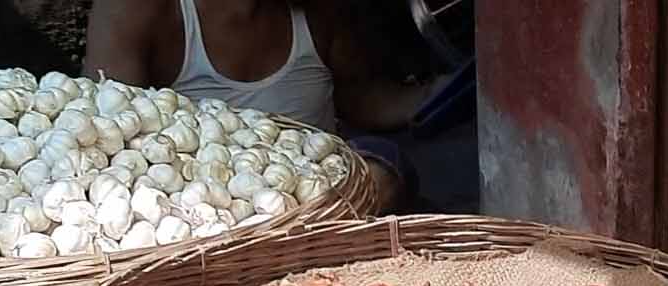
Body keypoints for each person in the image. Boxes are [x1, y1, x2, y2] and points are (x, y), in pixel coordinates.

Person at [83, 0, 419, 208]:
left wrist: (433, 97)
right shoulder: (136, 9)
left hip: (315, 192)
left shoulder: (319, 9)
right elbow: (111, 136)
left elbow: (358, 98)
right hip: (204, 203)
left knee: (384, 165)